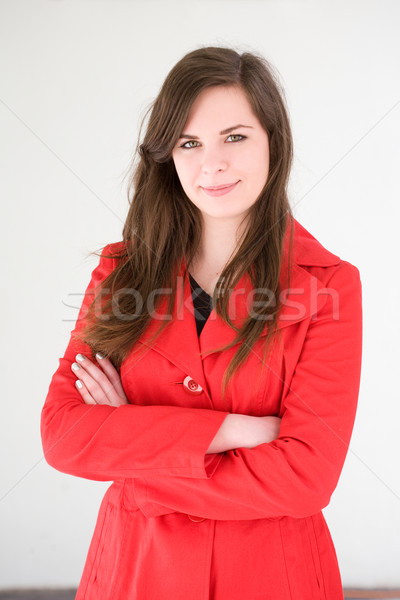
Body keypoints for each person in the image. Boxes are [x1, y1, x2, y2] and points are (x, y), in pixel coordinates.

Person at [41, 46, 363, 600]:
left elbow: (307, 479)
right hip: (138, 572)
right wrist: (233, 431)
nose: (211, 163)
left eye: (235, 137)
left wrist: (133, 448)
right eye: (189, 143)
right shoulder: (120, 273)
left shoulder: (329, 285)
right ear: (168, 155)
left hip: (270, 578)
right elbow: (63, 436)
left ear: (272, 142)